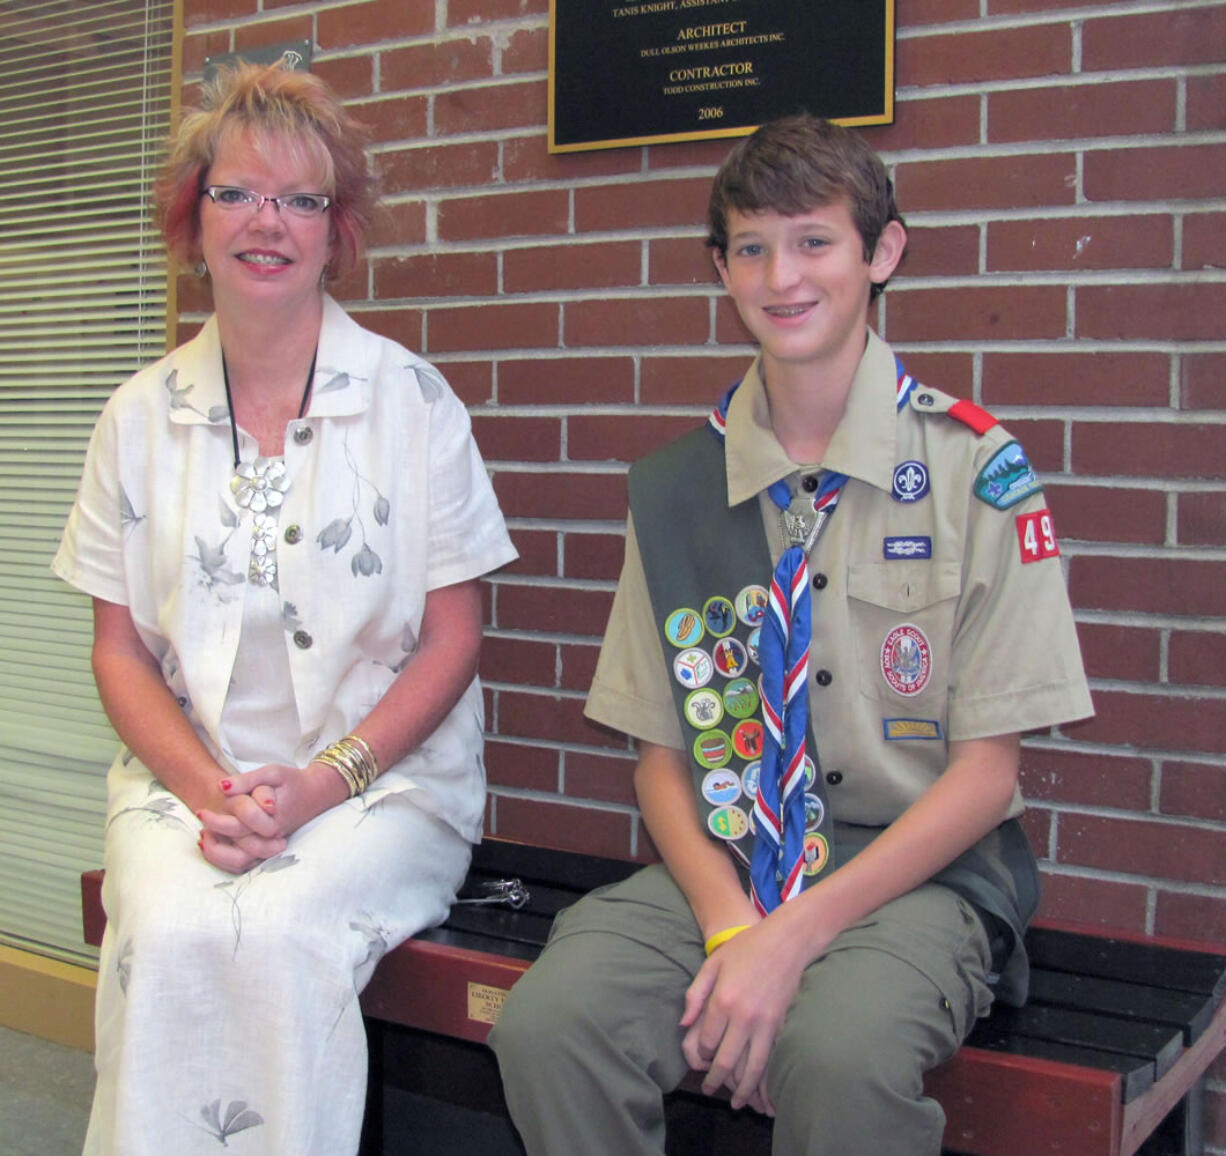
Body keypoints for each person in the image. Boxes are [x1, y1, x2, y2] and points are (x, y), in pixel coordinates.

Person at [489, 113, 1093, 1155]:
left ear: (881, 251)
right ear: (720, 268)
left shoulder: (971, 471)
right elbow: (659, 763)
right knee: (551, 1021)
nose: (782, 275)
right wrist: (733, 927)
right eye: (751, 247)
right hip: (729, 865)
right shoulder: (679, 489)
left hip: (918, 872)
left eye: (813, 239)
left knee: (841, 1055)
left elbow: (988, 775)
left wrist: (790, 939)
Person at [53, 62, 516, 1155]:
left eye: (300, 200)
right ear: (194, 215)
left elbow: (454, 640)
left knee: (281, 927)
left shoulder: (414, 404)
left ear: (334, 228)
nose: (267, 223)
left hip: (380, 787)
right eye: (237, 193)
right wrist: (205, 784)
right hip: (192, 780)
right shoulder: (134, 417)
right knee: (164, 929)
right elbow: (117, 650)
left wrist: (320, 782)